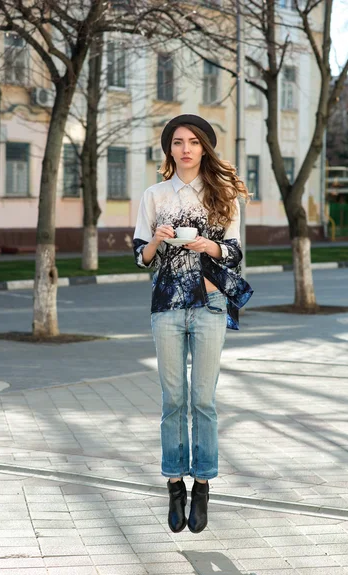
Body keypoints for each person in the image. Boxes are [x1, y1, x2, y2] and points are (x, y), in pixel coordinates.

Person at [133, 114, 253, 534]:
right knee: (172, 399)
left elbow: (235, 253)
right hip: (167, 304)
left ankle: (202, 484)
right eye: (178, 142)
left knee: (203, 399)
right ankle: (173, 484)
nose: (186, 148)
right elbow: (139, 256)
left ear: (205, 148)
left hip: (210, 302)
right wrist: (157, 240)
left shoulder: (223, 195)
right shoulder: (154, 195)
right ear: (169, 149)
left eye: (194, 142)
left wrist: (210, 246)